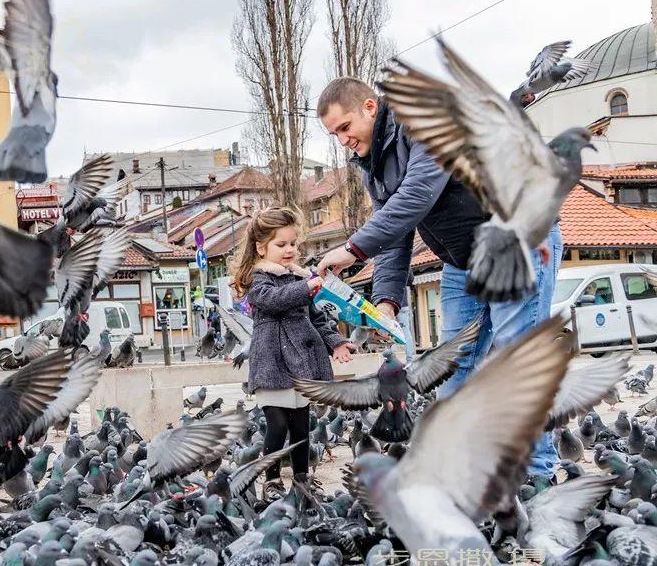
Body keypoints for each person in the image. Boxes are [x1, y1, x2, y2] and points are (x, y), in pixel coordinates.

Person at [315, 77, 562, 476]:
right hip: (463, 262)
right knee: (451, 369)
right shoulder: (371, 166)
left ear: (369, 108)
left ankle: (537, 478)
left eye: (345, 127)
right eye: (333, 134)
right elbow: (394, 232)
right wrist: (386, 300)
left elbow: (417, 195)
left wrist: (352, 249)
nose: (342, 140)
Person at [230, 207, 355, 498]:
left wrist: (336, 343)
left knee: (301, 426)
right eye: (281, 244)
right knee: (277, 425)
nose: (289, 250)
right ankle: (271, 481)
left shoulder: (300, 278)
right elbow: (273, 300)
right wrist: (306, 288)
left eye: (293, 244)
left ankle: (302, 481)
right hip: (273, 363)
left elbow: (317, 318)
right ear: (261, 247)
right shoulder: (258, 279)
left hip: (303, 364)